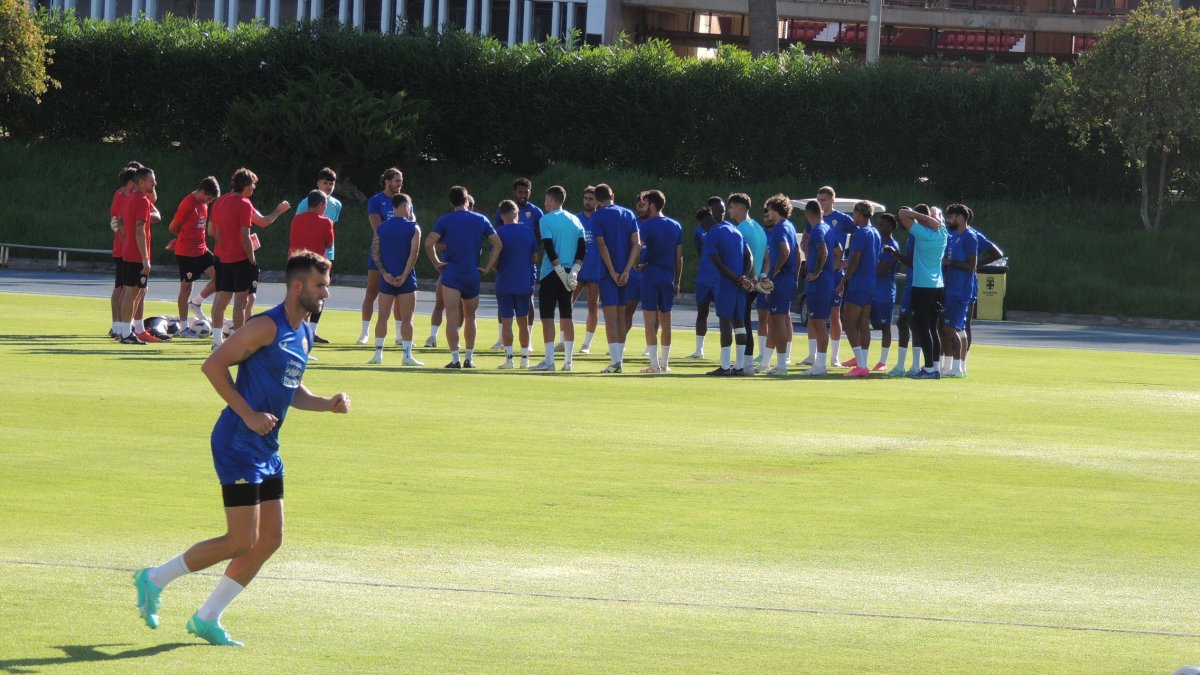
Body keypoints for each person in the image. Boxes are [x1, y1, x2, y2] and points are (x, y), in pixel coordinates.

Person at [132, 251, 349, 648]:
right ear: (298, 286)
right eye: (320, 286)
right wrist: (248, 414)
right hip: (237, 442)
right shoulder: (265, 326)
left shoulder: (303, 333)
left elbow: (292, 389)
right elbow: (213, 365)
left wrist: (326, 404)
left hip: (266, 447)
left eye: (326, 286)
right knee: (239, 540)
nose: (326, 294)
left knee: (269, 539)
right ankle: (154, 579)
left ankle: (207, 617)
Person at [210, 168, 290, 349]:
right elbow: (246, 236)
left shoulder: (219, 201)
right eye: (253, 185)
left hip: (221, 257)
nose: (254, 188)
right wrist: (251, 259)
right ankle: (239, 343)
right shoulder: (244, 204)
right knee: (241, 303)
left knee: (221, 301)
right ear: (246, 185)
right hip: (240, 259)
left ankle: (217, 342)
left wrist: (224, 246)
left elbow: (212, 231)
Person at [425, 186, 502, 369]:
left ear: (451, 202)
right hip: (471, 273)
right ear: (467, 200)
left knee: (452, 316)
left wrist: (437, 263)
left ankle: (455, 359)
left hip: (452, 273)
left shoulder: (445, 220)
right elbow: (498, 244)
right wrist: (487, 268)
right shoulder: (480, 219)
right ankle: (469, 358)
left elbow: (429, 243)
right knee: (471, 317)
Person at [528, 186, 585, 372]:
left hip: (551, 272)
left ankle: (549, 361)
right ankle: (568, 362)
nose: (545, 203)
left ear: (552, 200)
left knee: (547, 316)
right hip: (570, 273)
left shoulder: (546, 219)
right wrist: (574, 270)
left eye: (546, 199)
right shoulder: (576, 220)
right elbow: (582, 249)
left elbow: (549, 247)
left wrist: (559, 270)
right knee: (567, 315)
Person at [367, 193, 423, 366]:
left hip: (387, 279)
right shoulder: (414, 227)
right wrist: (404, 275)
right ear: (406, 206)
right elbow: (414, 254)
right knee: (408, 318)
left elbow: (375, 253)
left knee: (382, 317)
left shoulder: (381, 228)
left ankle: (378, 355)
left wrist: (385, 273)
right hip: (406, 279)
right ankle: (407, 356)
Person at [891, 206, 947, 379]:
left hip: (922, 286)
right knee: (933, 328)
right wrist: (933, 217)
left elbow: (901, 213)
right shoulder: (943, 232)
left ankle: (929, 368)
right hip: (938, 286)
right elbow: (937, 215)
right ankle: (935, 367)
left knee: (923, 328)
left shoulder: (923, 234)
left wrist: (925, 218)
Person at [591, 183, 641, 373]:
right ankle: (619, 360)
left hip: (608, 274)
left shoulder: (597, 216)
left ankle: (615, 362)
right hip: (627, 273)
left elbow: (602, 245)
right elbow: (637, 243)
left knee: (611, 319)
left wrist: (612, 271)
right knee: (622, 317)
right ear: (612, 195)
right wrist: (627, 270)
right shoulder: (628, 213)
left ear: (597, 200)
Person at [491, 178, 544, 350]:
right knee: (503, 302)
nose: (523, 195)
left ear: (530, 192)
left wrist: (527, 250)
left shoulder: (535, 212)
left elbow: (540, 236)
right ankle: (501, 339)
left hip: (526, 264)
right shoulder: (504, 210)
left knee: (529, 301)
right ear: (515, 192)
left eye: (526, 192)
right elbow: (496, 236)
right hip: (507, 262)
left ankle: (528, 341)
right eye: (520, 192)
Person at [291, 168, 342, 344]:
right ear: (318, 183)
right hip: (307, 257)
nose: (328, 186)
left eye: (331, 184)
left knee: (321, 292)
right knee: (305, 293)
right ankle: (300, 330)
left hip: (327, 255)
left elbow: (331, 232)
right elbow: (301, 227)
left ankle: (312, 331)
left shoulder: (336, 204)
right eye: (325, 183)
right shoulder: (306, 202)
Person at [636, 190, 682, 374]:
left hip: (650, 274)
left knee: (650, 321)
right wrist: (677, 281)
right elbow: (679, 258)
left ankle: (654, 364)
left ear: (652, 205)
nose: (643, 208)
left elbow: (639, 247)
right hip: (667, 276)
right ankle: (665, 363)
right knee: (666, 320)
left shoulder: (646, 226)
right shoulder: (675, 226)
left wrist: (636, 265)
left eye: (646, 204)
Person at [358, 168, 406, 345]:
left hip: (399, 253)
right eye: (397, 181)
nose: (400, 184)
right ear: (387, 181)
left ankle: (400, 335)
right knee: (372, 291)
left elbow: (410, 223)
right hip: (380, 251)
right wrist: (395, 232)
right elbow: (377, 227)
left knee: (400, 294)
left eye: (401, 181)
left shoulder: (404, 200)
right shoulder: (376, 200)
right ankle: (364, 333)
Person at [703, 210, 753, 376]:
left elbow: (718, 264)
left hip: (726, 285)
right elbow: (749, 256)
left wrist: (737, 278)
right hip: (740, 285)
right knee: (739, 323)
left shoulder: (713, 233)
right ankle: (739, 366)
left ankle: (725, 367)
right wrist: (744, 276)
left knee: (725, 322)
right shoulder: (735, 230)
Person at [834, 201, 881, 378]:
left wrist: (842, 282)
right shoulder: (875, 232)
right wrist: (846, 263)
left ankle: (861, 365)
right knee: (863, 325)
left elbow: (855, 261)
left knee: (848, 324)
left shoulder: (860, 233)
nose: (853, 217)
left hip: (858, 283)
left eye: (854, 214)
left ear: (859, 214)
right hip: (870, 282)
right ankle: (863, 362)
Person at [170, 177, 220, 338]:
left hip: (201, 249)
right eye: (209, 198)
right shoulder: (188, 203)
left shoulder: (203, 203)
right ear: (202, 192)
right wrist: (182, 238)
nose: (209, 202)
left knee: (222, 276)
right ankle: (184, 328)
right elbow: (173, 227)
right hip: (187, 252)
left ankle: (196, 302)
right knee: (186, 288)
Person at [116, 167, 160, 344]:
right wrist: (145, 258)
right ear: (141, 182)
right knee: (132, 293)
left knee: (132, 292)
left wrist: (126, 240)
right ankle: (127, 333)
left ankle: (126, 332)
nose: (154, 183)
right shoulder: (141, 200)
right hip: (136, 255)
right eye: (151, 181)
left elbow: (120, 222)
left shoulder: (129, 198)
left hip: (129, 251)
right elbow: (139, 229)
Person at [756, 194, 799, 376]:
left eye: (769, 210)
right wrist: (794, 276)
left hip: (780, 279)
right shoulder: (789, 226)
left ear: (775, 210)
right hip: (787, 278)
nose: (768, 214)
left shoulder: (780, 228)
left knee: (778, 320)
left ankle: (781, 365)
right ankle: (767, 363)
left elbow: (785, 251)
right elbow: (797, 253)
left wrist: (775, 272)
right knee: (775, 321)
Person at [813, 186, 856, 367]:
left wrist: (848, 260)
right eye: (818, 200)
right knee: (815, 314)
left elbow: (860, 235)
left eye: (823, 200)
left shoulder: (842, 219)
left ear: (832, 200)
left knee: (834, 313)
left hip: (835, 273)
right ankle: (813, 355)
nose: (820, 203)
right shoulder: (815, 219)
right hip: (819, 272)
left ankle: (835, 357)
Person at [493, 199, 538, 369]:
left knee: (506, 322)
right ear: (516, 213)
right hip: (523, 281)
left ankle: (509, 359)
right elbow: (534, 257)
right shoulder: (528, 231)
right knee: (523, 321)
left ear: (502, 215)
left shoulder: (498, 233)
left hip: (505, 281)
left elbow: (494, 259)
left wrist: (499, 267)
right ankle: (525, 359)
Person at [729, 193, 767, 370]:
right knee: (744, 321)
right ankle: (747, 361)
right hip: (755, 281)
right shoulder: (759, 227)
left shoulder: (740, 230)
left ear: (739, 207)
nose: (729, 211)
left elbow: (744, 258)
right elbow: (767, 256)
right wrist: (762, 275)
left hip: (746, 283)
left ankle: (746, 363)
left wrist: (746, 277)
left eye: (731, 207)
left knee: (741, 322)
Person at [940, 204, 978, 378]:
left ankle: (957, 368)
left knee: (950, 328)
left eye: (951, 217)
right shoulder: (954, 236)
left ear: (961, 218)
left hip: (961, 289)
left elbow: (971, 265)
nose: (948, 220)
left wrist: (950, 263)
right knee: (957, 328)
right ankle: (958, 367)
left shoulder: (970, 237)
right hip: (951, 288)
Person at [798, 200, 835, 377]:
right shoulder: (828, 228)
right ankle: (819, 363)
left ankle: (820, 365)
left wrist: (817, 272)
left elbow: (824, 251)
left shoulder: (817, 230)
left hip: (819, 282)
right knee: (816, 321)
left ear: (807, 214)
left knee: (819, 323)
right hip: (825, 280)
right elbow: (838, 250)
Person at [965, 209, 1004, 372]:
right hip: (948, 281)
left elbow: (997, 253)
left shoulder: (974, 235)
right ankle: (947, 360)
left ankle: (962, 361)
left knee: (965, 323)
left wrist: (977, 265)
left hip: (967, 283)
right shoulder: (949, 234)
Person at [108, 163, 140, 339]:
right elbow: (119, 226)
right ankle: (119, 327)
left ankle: (120, 327)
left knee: (125, 289)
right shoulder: (122, 197)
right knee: (123, 289)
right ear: (131, 183)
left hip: (124, 248)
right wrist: (127, 245)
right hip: (123, 249)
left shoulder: (126, 195)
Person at [685, 203, 719, 359]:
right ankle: (699, 350)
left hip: (720, 279)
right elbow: (700, 250)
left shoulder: (727, 228)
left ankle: (725, 352)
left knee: (725, 315)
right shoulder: (700, 230)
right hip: (704, 279)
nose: (720, 213)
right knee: (702, 312)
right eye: (717, 210)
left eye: (723, 210)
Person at [573, 186, 602, 354]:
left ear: (597, 201)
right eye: (586, 198)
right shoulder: (576, 219)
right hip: (577, 268)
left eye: (591, 199)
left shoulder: (601, 219)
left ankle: (586, 344)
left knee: (593, 307)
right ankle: (564, 339)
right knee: (567, 303)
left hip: (595, 269)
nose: (588, 201)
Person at [870, 213, 901, 372]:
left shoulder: (892, 246)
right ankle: (860, 357)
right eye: (878, 224)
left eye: (882, 224)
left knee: (885, 327)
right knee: (861, 323)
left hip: (884, 293)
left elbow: (881, 270)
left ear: (890, 227)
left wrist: (865, 267)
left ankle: (883, 361)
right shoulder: (876, 242)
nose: (879, 227)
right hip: (870, 291)